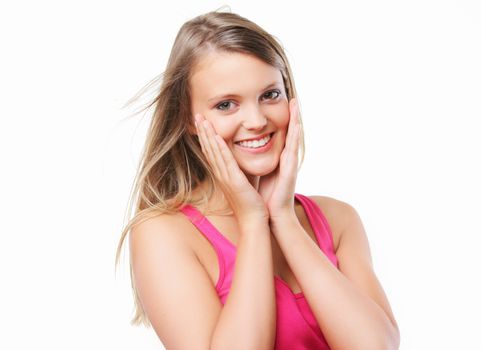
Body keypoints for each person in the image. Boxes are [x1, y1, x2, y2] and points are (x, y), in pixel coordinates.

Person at [115, 9, 400, 350]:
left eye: (270, 95)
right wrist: (253, 222)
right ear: (189, 120)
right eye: (226, 105)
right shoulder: (164, 232)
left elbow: (375, 347)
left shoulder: (338, 220)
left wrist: (283, 219)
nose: (256, 120)